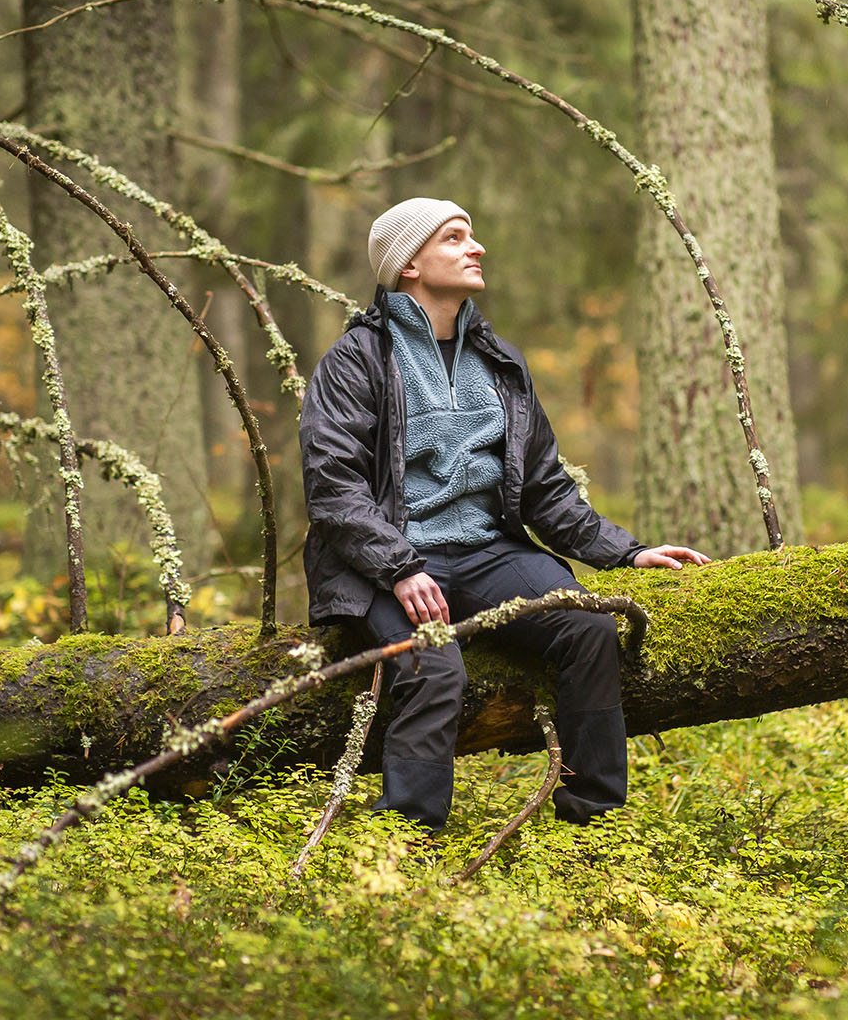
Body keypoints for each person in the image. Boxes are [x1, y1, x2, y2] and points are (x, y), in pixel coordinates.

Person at [299, 197, 710, 831]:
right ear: (407, 264)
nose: (476, 247)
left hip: (488, 555)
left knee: (590, 630)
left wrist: (626, 552)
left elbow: (545, 485)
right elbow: (334, 487)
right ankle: (407, 844)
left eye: (473, 235)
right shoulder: (357, 360)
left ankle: (592, 822)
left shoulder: (499, 361)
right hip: (385, 566)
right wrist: (400, 567)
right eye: (455, 237)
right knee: (433, 668)